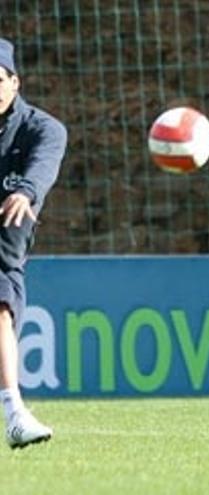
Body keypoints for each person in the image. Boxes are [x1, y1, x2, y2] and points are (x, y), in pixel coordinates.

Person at [0, 38, 67, 449]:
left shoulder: (44, 129)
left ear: (14, 82)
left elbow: (43, 168)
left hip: (4, 251)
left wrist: (25, 191)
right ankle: (15, 414)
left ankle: (14, 414)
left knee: (0, 310)